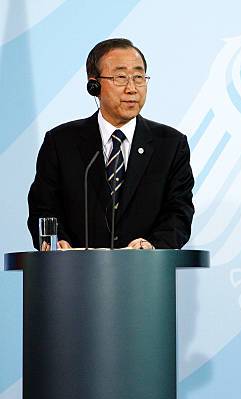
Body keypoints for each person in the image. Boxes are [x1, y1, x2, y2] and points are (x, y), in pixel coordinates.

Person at [27, 38, 194, 250]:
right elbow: (43, 208)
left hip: (145, 274)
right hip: (74, 274)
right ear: (94, 85)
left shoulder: (170, 144)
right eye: (121, 77)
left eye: (139, 77)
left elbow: (179, 212)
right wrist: (56, 242)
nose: (132, 88)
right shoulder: (60, 142)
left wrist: (153, 246)